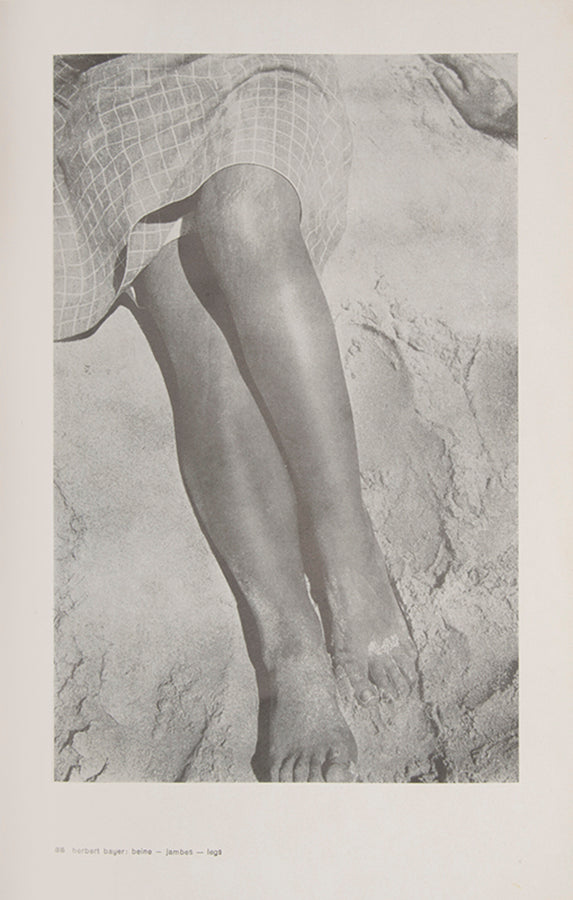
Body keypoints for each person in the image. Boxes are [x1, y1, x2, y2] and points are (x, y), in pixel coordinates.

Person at [54, 53, 514, 783]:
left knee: (244, 213)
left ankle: (347, 549)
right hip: (116, 87)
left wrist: (507, 97)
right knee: (188, 309)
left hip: (252, 58)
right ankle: (289, 648)